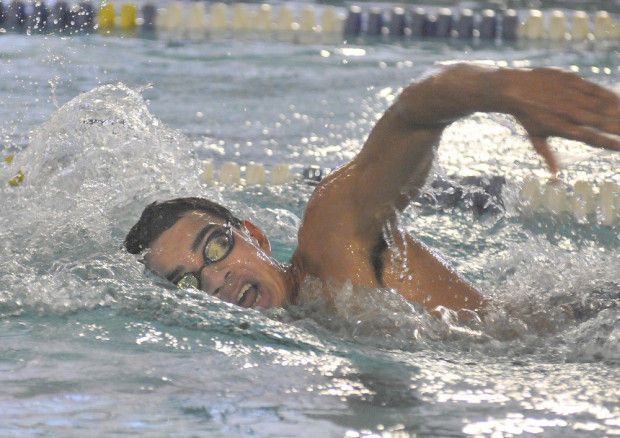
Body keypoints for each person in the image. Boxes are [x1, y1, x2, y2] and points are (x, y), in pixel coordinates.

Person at [124, 63, 620, 316]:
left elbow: (415, 111)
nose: (216, 281)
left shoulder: (331, 237)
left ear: (253, 233)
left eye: (214, 246)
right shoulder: (303, 327)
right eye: (187, 282)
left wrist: (505, 88)